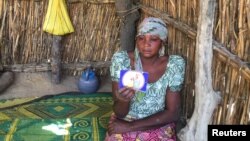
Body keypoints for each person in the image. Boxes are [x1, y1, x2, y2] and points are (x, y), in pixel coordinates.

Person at [105, 17, 186, 141]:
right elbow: (120, 112)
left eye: (153, 39)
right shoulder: (122, 60)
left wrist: (130, 127)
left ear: (162, 42)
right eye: (141, 38)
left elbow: (173, 112)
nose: (146, 44)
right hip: (123, 122)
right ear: (136, 40)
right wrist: (123, 100)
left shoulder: (174, 65)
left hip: (157, 124)